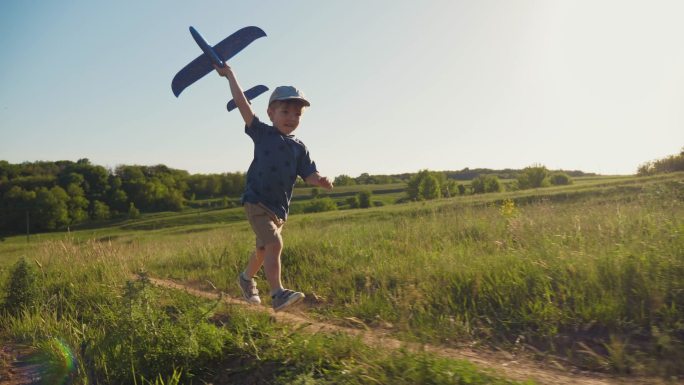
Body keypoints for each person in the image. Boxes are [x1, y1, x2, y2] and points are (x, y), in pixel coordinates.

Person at [214, 63, 333, 311]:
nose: (291, 118)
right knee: (275, 244)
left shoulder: (299, 147)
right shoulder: (262, 133)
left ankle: (246, 279)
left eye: (297, 114)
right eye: (285, 112)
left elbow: (309, 173)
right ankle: (277, 294)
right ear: (270, 113)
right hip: (256, 201)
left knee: (262, 250)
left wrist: (319, 180)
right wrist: (231, 76)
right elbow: (243, 105)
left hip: (278, 210)